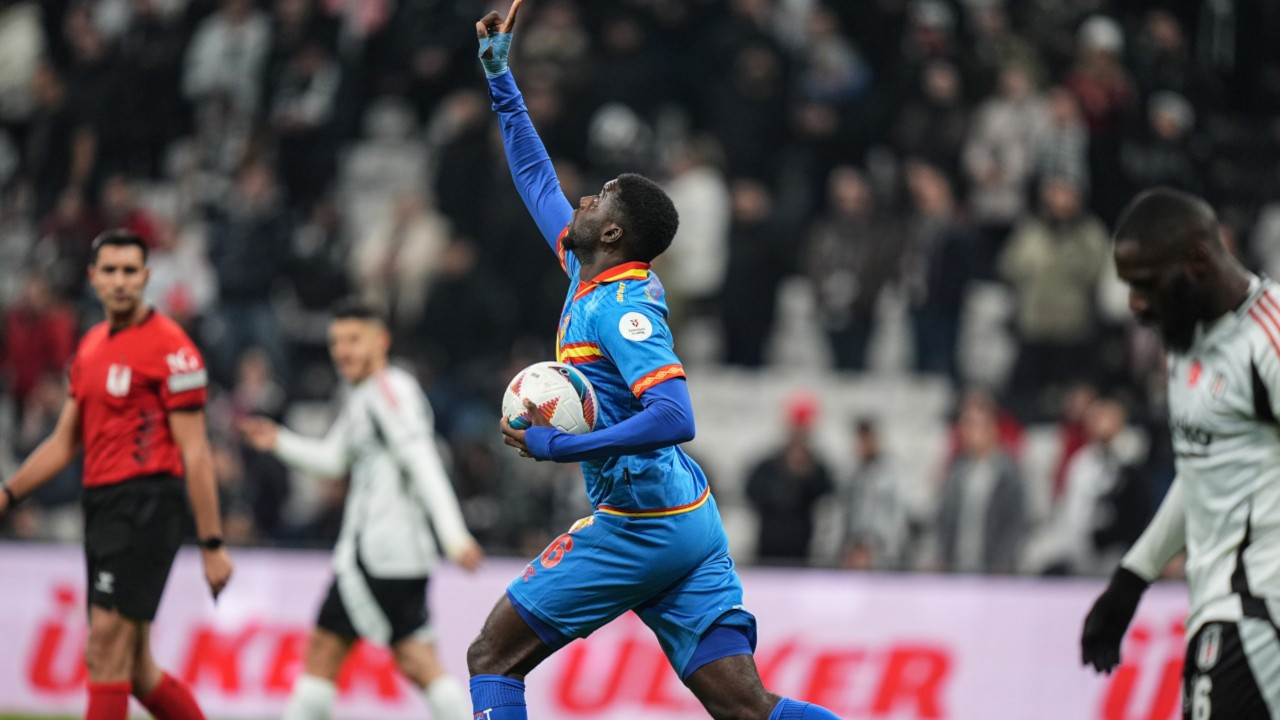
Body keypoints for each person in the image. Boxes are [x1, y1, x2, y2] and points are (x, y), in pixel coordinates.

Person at [468, 4, 842, 719]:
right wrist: (500, 76)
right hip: (686, 515)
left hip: (642, 523)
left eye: (599, 197)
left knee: (493, 656)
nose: (582, 197)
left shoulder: (621, 310)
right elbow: (535, 176)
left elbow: (675, 416)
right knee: (747, 709)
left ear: (612, 232)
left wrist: (561, 446)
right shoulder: (587, 270)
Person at [0, 230, 233, 720]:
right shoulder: (89, 347)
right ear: (93, 278)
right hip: (103, 505)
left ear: (146, 277)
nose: (120, 281)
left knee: (103, 649)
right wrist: (8, 493)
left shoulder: (173, 349)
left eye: (130, 271)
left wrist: (212, 544)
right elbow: (64, 443)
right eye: (110, 270)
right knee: (137, 667)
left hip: (147, 505)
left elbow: (196, 452)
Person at [1080, 188, 1280, 718]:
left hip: (1259, 613)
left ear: (1197, 260)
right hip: (1221, 609)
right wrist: (1132, 579)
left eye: (1146, 284)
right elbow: (1202, 476)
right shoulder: (1183, 346)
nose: (1135, 304)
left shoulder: (1269, 340)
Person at [238, 299, 483, 720]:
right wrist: (279, 441)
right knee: (411, 659)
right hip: (388, 555)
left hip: (378, 556)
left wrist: (454, 536)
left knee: (340, 654)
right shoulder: (361, 394)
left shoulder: (391, 391)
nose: (343, 351)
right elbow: (335, 460)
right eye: (337, 342)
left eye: (353, 340)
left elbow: (423, 461)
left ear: (380, 341)